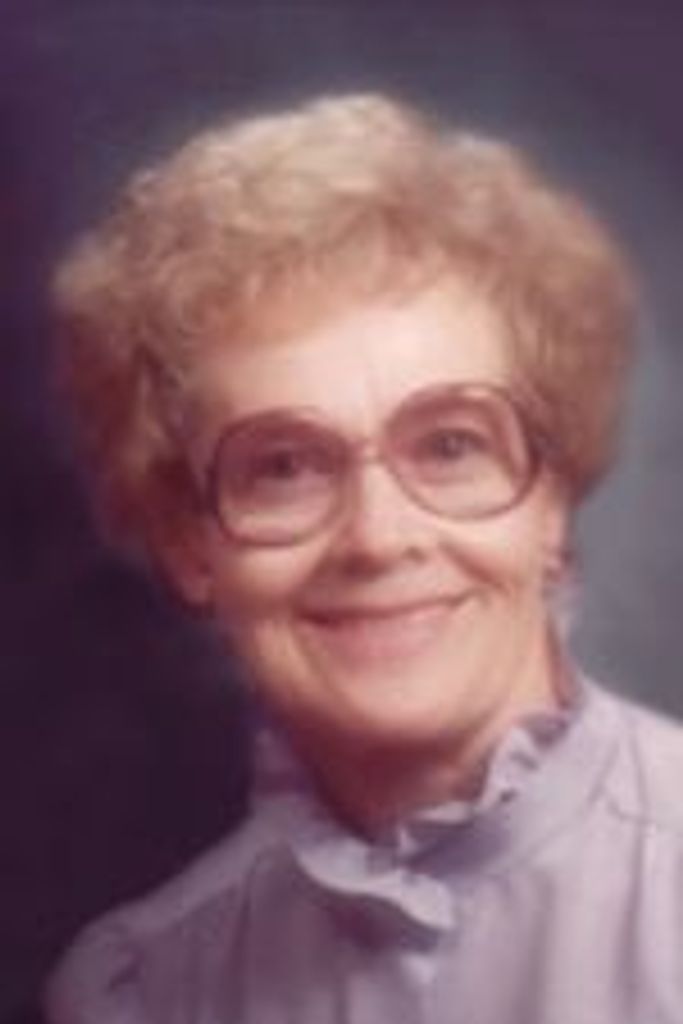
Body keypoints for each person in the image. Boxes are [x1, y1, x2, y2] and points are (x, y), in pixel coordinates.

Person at [44, 93, 683, 1024]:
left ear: (550, 499)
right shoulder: (142, 992)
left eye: (450, 445)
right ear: (189, 542)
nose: (377, 538)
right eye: (285, 467)